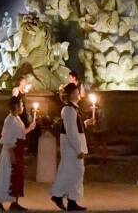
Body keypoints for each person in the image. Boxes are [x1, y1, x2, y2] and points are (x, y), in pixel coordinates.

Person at [0, 95, 37, 211]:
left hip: (18, 151)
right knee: (7, 176)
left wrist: (30, 128)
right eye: (21, 104)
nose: (22, 107)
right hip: (11, 152)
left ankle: (14, 202)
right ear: (15, 106)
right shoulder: (9, 120)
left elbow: (21, 133)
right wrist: (12, 156)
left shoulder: (17, 119)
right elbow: (6, 138)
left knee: (18, 177)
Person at [50, 82, 91, 212]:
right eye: (77, 92)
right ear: (72, 94)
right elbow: (71, 131)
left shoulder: (73, 108)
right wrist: (78, 149)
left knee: (71, 172)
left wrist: (85, 123)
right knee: (74, 172)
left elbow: (75, 127)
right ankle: (66, 199)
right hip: (71, 147)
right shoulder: (68, 110)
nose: (79, 95)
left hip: (73, 146)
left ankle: (67, 199)